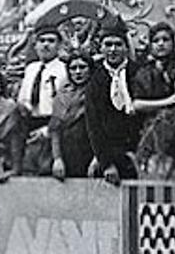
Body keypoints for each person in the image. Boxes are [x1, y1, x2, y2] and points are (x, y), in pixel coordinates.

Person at [84, 16, 143, 184]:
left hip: (135, 153)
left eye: (118, 44)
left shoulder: (138, 72)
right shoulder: (96, 79)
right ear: (101, 48)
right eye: (108, 44)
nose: (113, 49)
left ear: (126, 47)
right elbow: (93, 123)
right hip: (107, 154)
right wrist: (105, 163)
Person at [17, 26, 67, 176]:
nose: (46, 45)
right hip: (30, 128)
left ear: (59, 45)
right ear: (35, 45)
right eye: (42, 41)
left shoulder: (64, 70)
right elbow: (23, 99)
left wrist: (47, 131)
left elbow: (65, 107)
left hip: (53, 128)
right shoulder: (31, 69)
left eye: (51, 41)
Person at [49, 52, 95, 181]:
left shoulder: (98, 93)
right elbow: (55, 129)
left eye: (82, 67)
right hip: (67, 151)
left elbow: (103, 129)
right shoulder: (62, 94)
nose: (78, 72)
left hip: (90, 151)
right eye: (73, 68)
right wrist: (57, 158)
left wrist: (98, 158)